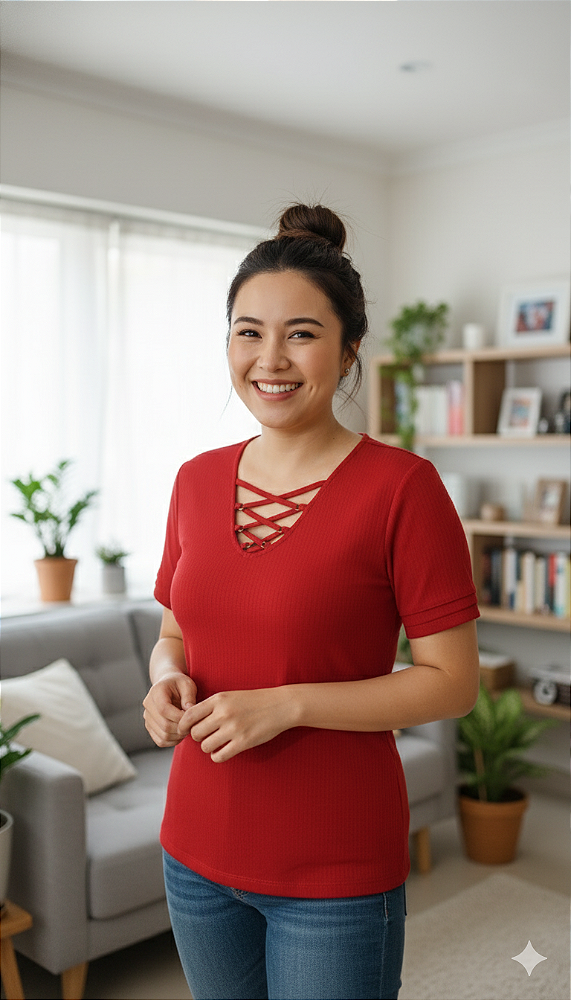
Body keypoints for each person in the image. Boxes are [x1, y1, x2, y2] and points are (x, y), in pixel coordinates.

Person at [143, 203, 480, 1000]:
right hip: (192, 848)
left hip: (331, 866)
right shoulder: (193, 480)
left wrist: (286, 705)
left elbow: (451, 681)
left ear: (349, 346)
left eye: (300, 332)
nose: (270, 358)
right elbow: (173, 632)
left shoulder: (403, 489)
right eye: (247, 331)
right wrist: (163, 676)